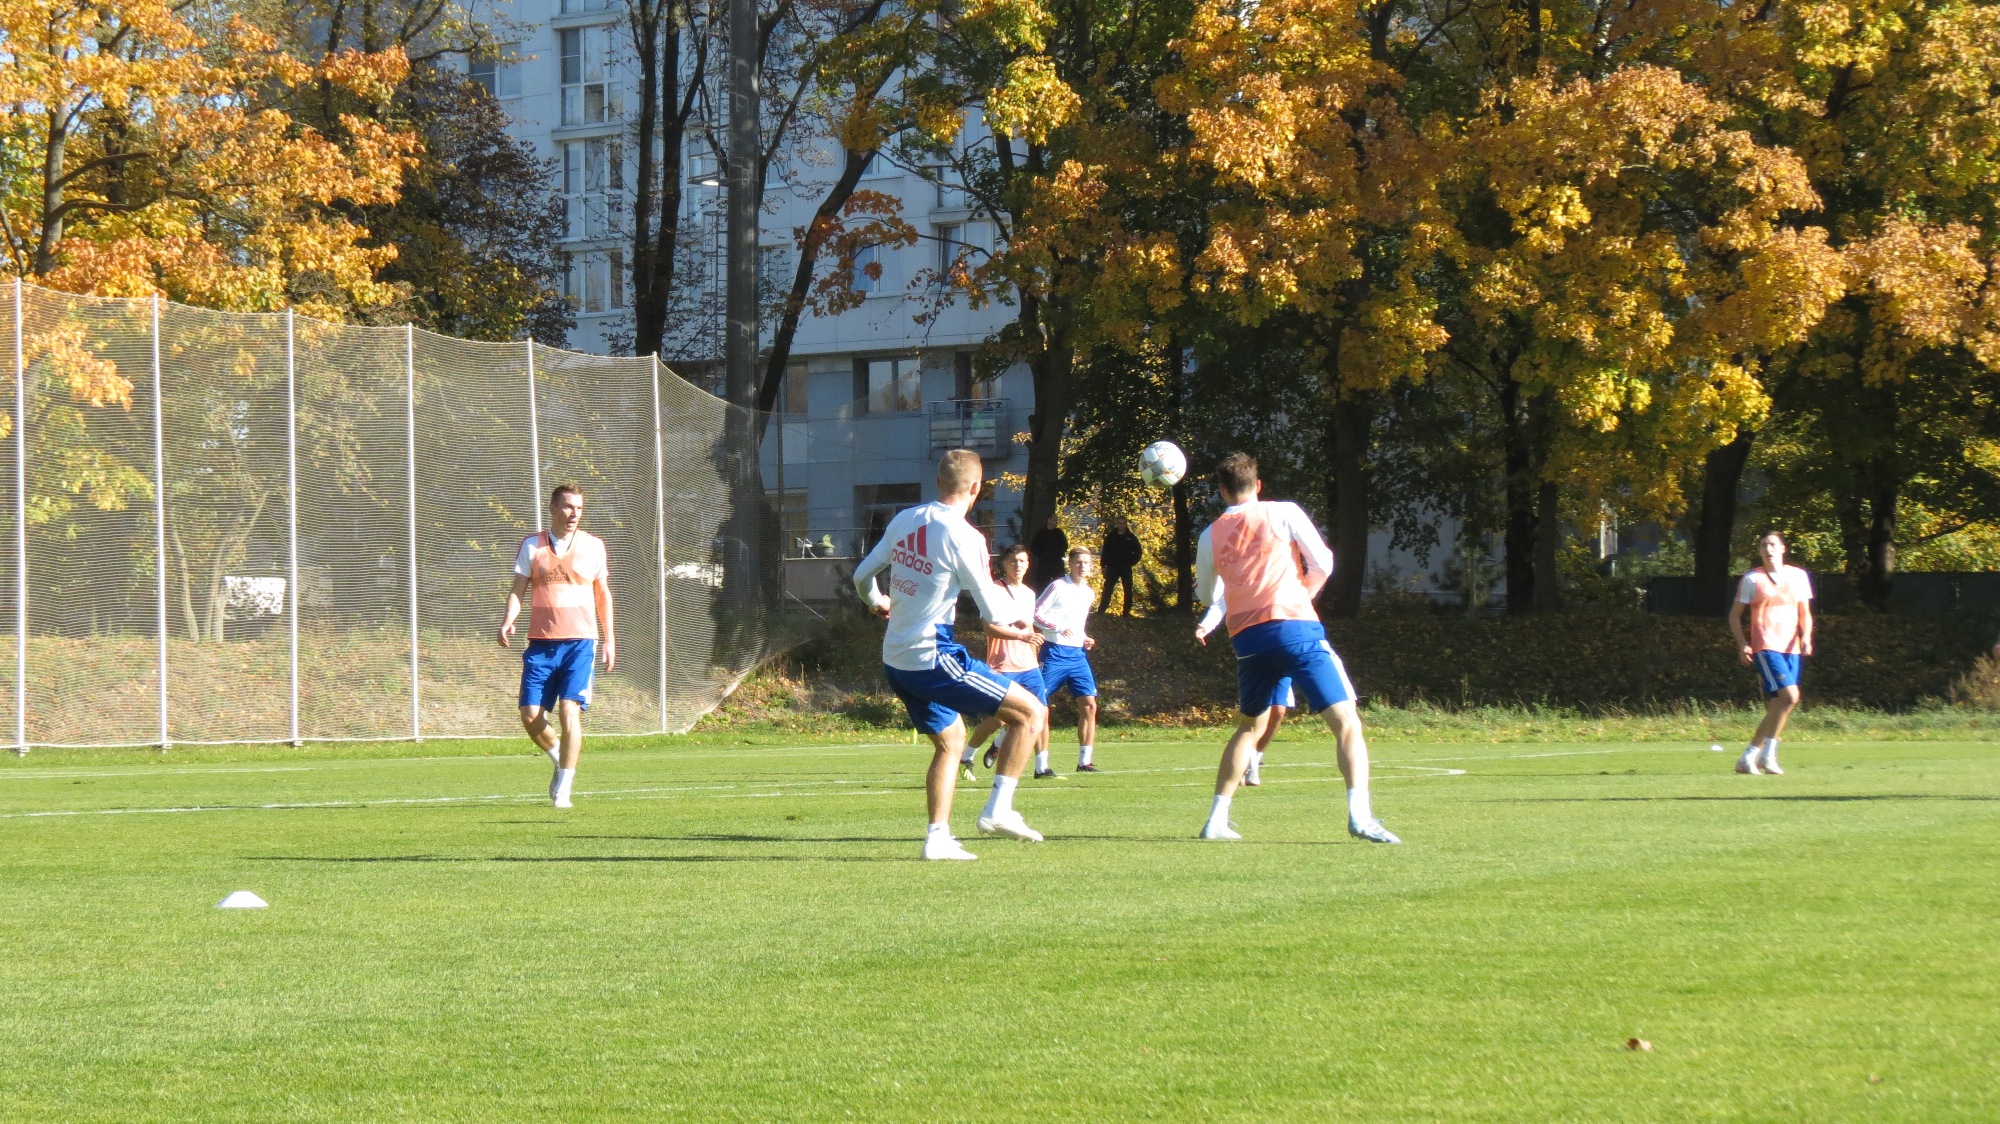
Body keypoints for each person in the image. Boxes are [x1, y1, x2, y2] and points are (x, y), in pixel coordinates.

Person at [853, 450, 1050, 860]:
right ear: (977, 487)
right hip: (933, 654)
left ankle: (937, 838)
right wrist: (1022, 622)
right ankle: (998, 811)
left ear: (938, 482)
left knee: (952, 740)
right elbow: (992, 612)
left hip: (896, 659)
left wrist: (876, 601)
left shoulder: (905, 519)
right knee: (1031, 713)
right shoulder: (966, 537)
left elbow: (861, 575)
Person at [1193, 453, 1398, 843]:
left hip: (1247, 639)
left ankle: (1216, 820)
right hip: (1294, 628)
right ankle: (1360, 817)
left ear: (1222, 491)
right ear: (1258, 485)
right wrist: (1303, 595)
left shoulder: (1209, 534)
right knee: (1346, 722)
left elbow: (1206, 593)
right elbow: (1323, 562)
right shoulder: (1283, 512)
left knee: (1248, 727)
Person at [496, 485, 616, 809]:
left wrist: (609, 639)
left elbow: (603, 595)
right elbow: (517, 590)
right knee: (529, 714)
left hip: (580, 643)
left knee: (569, 711)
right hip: (541, 643)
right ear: (552, 508)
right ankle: (560, 759)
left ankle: (564, 789)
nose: (574, 513)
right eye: (567, 507)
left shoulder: (593, 546)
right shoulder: (532, 546)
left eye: (579, 508)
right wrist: (508, 620)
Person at [1728, 531, 1814, 776]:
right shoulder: (1752, 579)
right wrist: (1742, 643)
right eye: (1764, 545)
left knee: (1780, 704)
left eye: (1773, 544)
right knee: (1791, 696)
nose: (1768, 549)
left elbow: (1805, 613)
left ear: (1783, 548)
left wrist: (1806, 637)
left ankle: (1749, 756)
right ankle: (1768, 755)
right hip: (1766, 646)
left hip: (1791, 647)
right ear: (1759, 551)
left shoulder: (1798, 576)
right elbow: (1734, 616)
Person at [961, 544, 1045, 780]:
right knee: (998, 719)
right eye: (1013, 561)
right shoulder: (995, 591)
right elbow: (989, 628)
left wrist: (1034, 656)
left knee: (1040, 712)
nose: (1018, 565)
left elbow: (1029, 629)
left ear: (1028, 565)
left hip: (1029, 666)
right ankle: (967, 756)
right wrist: (1021, 635)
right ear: (1004, 564)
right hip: (1002, 664)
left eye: (1022, 561)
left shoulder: (1029, 594)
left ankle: (1041, 767)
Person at [1197, 596, 1287, 786]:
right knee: (1256, 716)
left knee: (1279, 710)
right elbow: (1222, 602)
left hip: (1283, 645)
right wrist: (1205, 626)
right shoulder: (1242, 581)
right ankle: (1245, 763)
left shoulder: (1281, 580)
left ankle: (1254, 758)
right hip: (1254, 650)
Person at [1034, 547, 1101, 775]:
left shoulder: (1089, 593)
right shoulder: (1058, 586)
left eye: (1086, 563)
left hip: (1077, 656)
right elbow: (1036, 613)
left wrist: (1084, 638)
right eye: (1078, 562)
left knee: (1090, 704)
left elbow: (1076, 625)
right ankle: (1041, 766)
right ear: (1069, 564)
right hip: (1054, 652)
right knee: (1039, 706)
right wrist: (1057, 628)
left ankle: (1085, 762)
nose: (1082, 566)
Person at [1098, 515, 1143, 615]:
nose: (1121, 525)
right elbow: (1105, 552)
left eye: (1123, 523)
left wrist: (1131, 562)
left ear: (1126, 524)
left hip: (1125, 567)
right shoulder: (1111, 537)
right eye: (1120, 523)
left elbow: (1138, 552)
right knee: (1108, 588)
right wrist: (1104, 566)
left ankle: (1126, 612)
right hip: (1112, 567)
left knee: (1128, 589)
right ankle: (1101, 611)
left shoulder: (1131, 538)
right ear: (1116, 524)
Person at [1028, 514, 1069, 592]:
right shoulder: (1040, 533)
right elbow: (1034, 547)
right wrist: (1043, 554)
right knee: (1042, 586)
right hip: (1044, 563)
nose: (1056, 522)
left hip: (1057, 563)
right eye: (1054, 520)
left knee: (1059, 584)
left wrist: (1056, 554)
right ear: (1048, 520)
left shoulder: (1059, 533)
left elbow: (1064, 546)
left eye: (1056, 520)